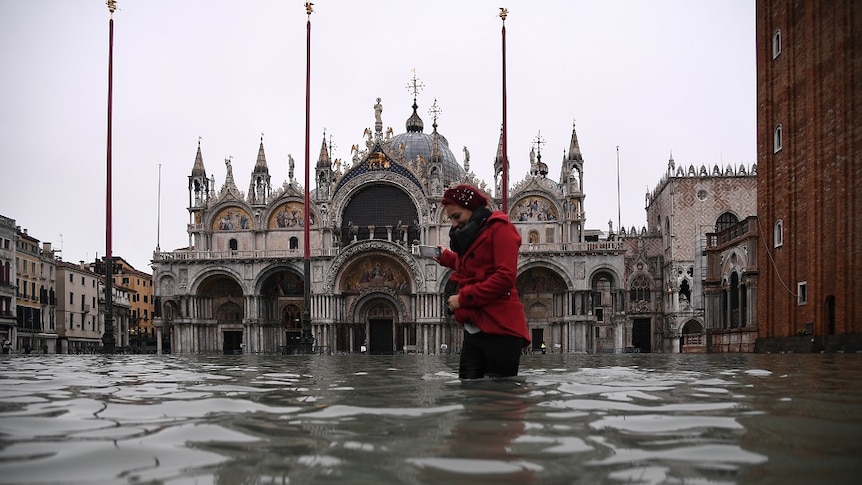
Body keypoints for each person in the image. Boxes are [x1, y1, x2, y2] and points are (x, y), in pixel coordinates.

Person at [435, 184, 530, 379]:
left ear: (472, 209)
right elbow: (474, 265)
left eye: (457, 216)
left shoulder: (501, 229)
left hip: (501, 327)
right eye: (450, 218)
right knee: (469, 392)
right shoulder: (473, 234)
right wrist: (445, 257)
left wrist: (463, 299)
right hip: (475, 326)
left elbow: (505, 277)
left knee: (500, 396)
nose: (453, 224)